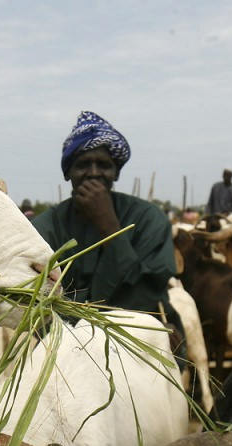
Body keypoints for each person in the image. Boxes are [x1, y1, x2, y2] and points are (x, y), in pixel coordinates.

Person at [31, 110, 179, 328]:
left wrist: (109, 227)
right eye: (83, 165)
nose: (94, 173)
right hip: (63, 341)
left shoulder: (149, 220)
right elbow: (38, 303)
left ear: (116, 173)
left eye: (104, 165)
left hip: (141, 332)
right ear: (67, 172)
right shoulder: (45, 228)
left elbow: (143, 299)